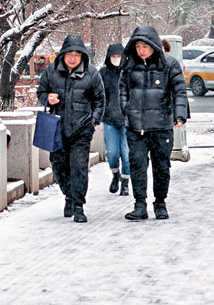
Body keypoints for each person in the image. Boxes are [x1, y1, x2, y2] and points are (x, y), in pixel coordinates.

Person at [119, 26, 188, 220]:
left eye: (145, 46)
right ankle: (139, 204)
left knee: (161, 167)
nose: (142, 50)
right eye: (138, 46)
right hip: (136, 126)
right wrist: (126, 109)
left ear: (154, 46)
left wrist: (179, 115)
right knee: (137, 165)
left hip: (161, 125)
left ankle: (160, 203)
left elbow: (179, 92)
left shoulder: (169, 65)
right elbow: (122, 90)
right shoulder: (129, 66)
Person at [36, 34, 106, 223]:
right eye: (69, 54)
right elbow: (40, 91)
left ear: (82, 55)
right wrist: (47, 99)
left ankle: (78, 206)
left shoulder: (91, 73)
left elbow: (100, 100)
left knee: (78, 167)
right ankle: (69, 195)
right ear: (63, 54)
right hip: (57, 128)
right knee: (58, 165)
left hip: (82, 128)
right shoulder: (51, 72)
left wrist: (93, 122)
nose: (73, 58)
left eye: (77, 54)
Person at [100, 42, 130, 195]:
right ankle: (115, 174)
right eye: (113, 56)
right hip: (109, 119)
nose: (116, 59)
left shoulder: (129, 71)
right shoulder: (103, 73)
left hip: (127, 119)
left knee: (126, 152)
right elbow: (99, 95)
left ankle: (125, 181)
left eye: (119, 56)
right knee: (112, 152)